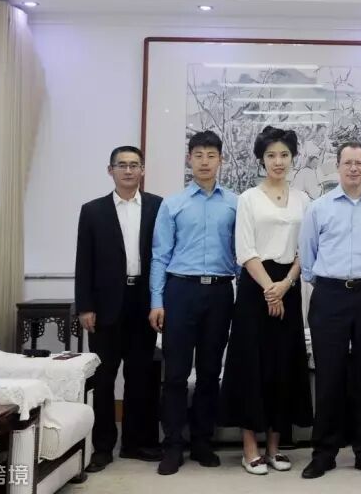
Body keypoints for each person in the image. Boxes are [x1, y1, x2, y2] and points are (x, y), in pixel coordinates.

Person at [220, 127, 313, 475]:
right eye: (271, 155)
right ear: (261, 159)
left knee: (283, 365)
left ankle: (275, 446)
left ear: (292, 158)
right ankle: (250, 448)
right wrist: (269, 289)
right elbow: (245, 250)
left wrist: (284, 285)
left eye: (284, 155)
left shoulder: (303, 200)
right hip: (255, 287)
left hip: (289, 284)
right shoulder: (248, 198)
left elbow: (306, 249)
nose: (278, 161)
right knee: (252, 365)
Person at [297, 141, 361, 480]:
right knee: (329, 377)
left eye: (359, 163)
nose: (353, 168)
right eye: (347, 162)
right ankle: (324, 453)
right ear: (337, 167)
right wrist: (327, 283)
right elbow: (307, 255)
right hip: (330, 296)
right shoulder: (319, 208)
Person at [149, 130, 239, 476]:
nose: (204, 161)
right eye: (198, 155)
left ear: (220, 160)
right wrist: (156, 301)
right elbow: (160, 256)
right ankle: (173, 445)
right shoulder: (172, 204)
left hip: (219, 292)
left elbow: (241, 254)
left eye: (211, 155)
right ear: (189, 159)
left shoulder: (234, 203)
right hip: (180, 291)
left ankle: (203, 441)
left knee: (210, 372)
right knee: (175, 373)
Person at [74, 146, 163, 472]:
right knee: (104, 378)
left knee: (141, 376)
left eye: (134, 165)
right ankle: (102, 447)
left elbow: (164, 254)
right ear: (110, 170)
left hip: (143, 301)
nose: (128, 171)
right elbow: (84, 261)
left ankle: (135, 443)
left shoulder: (157, 206)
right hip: (105, 305)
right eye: (121, 165)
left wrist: (161, 301)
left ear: (142, 170)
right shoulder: (92, 211)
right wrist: (85, 305)